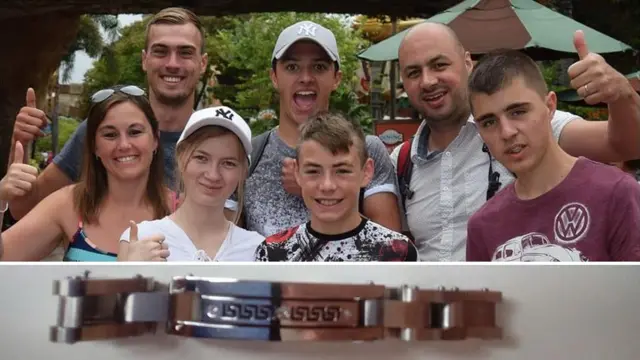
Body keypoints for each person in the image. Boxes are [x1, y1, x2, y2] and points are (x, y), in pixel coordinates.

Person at [392, 22, 640, 261]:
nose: (428, 81)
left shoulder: (533, 124)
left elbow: (628, 145)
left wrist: (621, 94)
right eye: (414, 72)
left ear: (468, 62)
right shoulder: (401, 162)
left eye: (439, 65)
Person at [6, 7, 208, 220]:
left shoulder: (222, 142)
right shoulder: (102, 130)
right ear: (144, 60)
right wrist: (19, 149)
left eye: (185, 52)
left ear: (202, 63)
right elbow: (25, 209)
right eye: (161, 51)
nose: (172, 64)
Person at [228, 20, 402, 238]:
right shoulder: (247, 155)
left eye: (319, 67)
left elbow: (390, 249)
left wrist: (312, 191)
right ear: (274, 76)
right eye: (292, 67)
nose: (306, 78)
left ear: (336, 78)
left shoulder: (368, 150)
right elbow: (223, 245)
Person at [465, 50, 640, 262]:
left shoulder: (616, 193)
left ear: (550, 106)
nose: (507, 132)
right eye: (489, 122)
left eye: (518, 112)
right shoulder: (482, 225)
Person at [0, 86, 172, 261]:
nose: (124, 145)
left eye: (135, 132)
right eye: (110, 135)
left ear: (155, 140)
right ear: (94, 146)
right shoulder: (69, 204)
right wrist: (1, 198)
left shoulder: (180, 209)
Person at [254, 111, 418, 261]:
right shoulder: (272, 254)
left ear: (366, 172)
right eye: (313, 171)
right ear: (297, 173)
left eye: (342, 171)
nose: (327, 185)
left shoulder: (397, 253)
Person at [118, 106, 264, 262]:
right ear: (180, 158)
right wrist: (131, 271)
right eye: (201, 158)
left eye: (228, 163)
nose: (213, 174)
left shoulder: (258, 249)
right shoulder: (141, 239)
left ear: (243, 172)